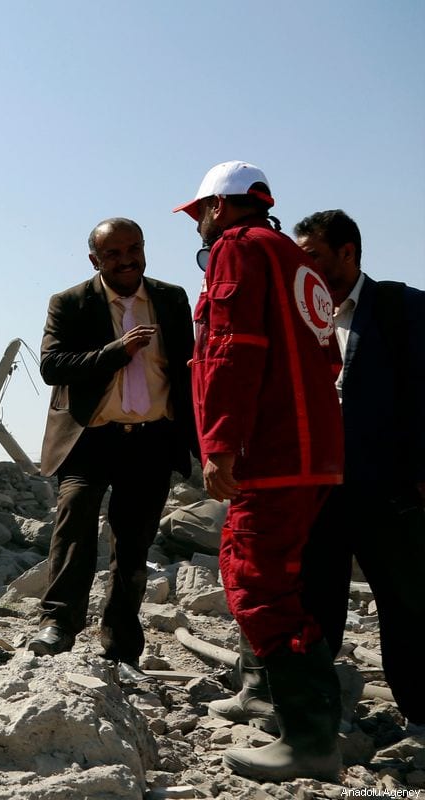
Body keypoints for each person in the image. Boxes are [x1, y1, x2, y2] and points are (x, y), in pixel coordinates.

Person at [175, 161, 345, 781]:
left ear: (219, 208)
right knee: (283, 580)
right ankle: (293, 714)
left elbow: (230, 349)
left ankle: (311, 741)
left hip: (271, 453)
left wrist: (220, 445)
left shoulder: (237, 250)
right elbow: (324, 356)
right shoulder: (298, 263)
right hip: (314, 452)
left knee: (256, 582)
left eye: (200, 215)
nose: (200, 228)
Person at [25, 218, 197, 686]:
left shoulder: (171, 299)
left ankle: (122, 643)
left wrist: (203, 448)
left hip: (152, 439)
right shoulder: (71, 302)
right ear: (95, 261)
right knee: (75, 516)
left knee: (134, 542)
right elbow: (51, 365)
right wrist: (115, 351)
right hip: (90, 439)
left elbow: (188, 371)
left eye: (134, 248)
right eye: (114, 254)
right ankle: (58, 624)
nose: (127, 260)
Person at [294, 211, 425, 726]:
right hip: (319, 491)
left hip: (387, 489)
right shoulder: (300, 316)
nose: (303, 269)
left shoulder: (400, 307)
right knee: (316, 605)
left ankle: (419, 714)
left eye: (313, 257)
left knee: (409, 604)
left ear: (347, 253)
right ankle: (318, 720)